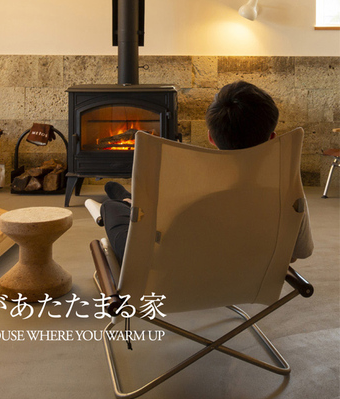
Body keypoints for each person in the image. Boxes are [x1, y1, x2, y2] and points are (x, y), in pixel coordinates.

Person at [100, 80, 314, 264]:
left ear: (211, 137)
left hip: (178, 273)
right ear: (271, 139)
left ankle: (126, 202)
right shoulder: (286, 190)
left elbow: (161, 242)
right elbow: (301, 252)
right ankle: (128, 199)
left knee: (111, 208)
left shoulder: (191, 185)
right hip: (251, 280)